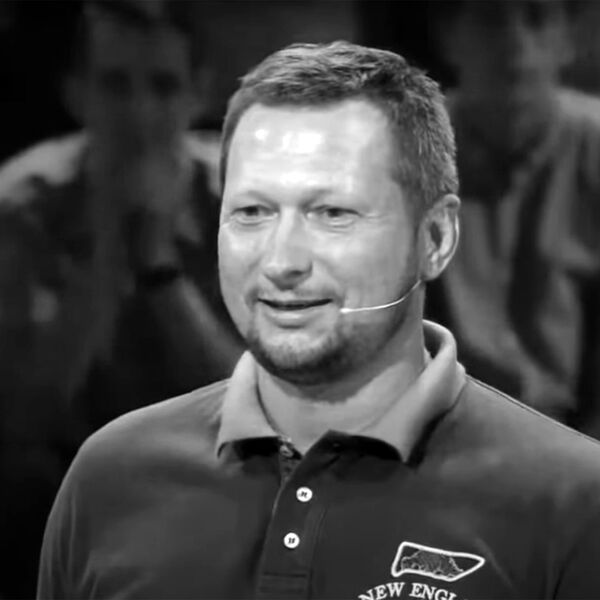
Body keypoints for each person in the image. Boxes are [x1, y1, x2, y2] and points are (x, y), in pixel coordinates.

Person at [38, 41, 600, 600]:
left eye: (332, 213)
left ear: (435, 238)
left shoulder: (571, 498)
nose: (282, 261)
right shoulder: (110, 478)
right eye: (252, 212)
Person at [0, 1, 242, 597]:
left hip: (214, 471)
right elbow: (23, 418)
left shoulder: (244, 201)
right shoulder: (23, 204)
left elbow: (266, 407)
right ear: (75, 93)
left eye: (163, 86)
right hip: (75, 482)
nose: (139, 113)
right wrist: (106, 254)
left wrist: (158, 265)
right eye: (115, 85)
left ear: (199, 93)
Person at [426, 0, 600, 437]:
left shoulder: (592, 145)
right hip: (446, 432)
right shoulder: (408, 148)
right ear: (450, 38)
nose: (515, 43)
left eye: (536, 19)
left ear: (568, 39)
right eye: (490, 20)